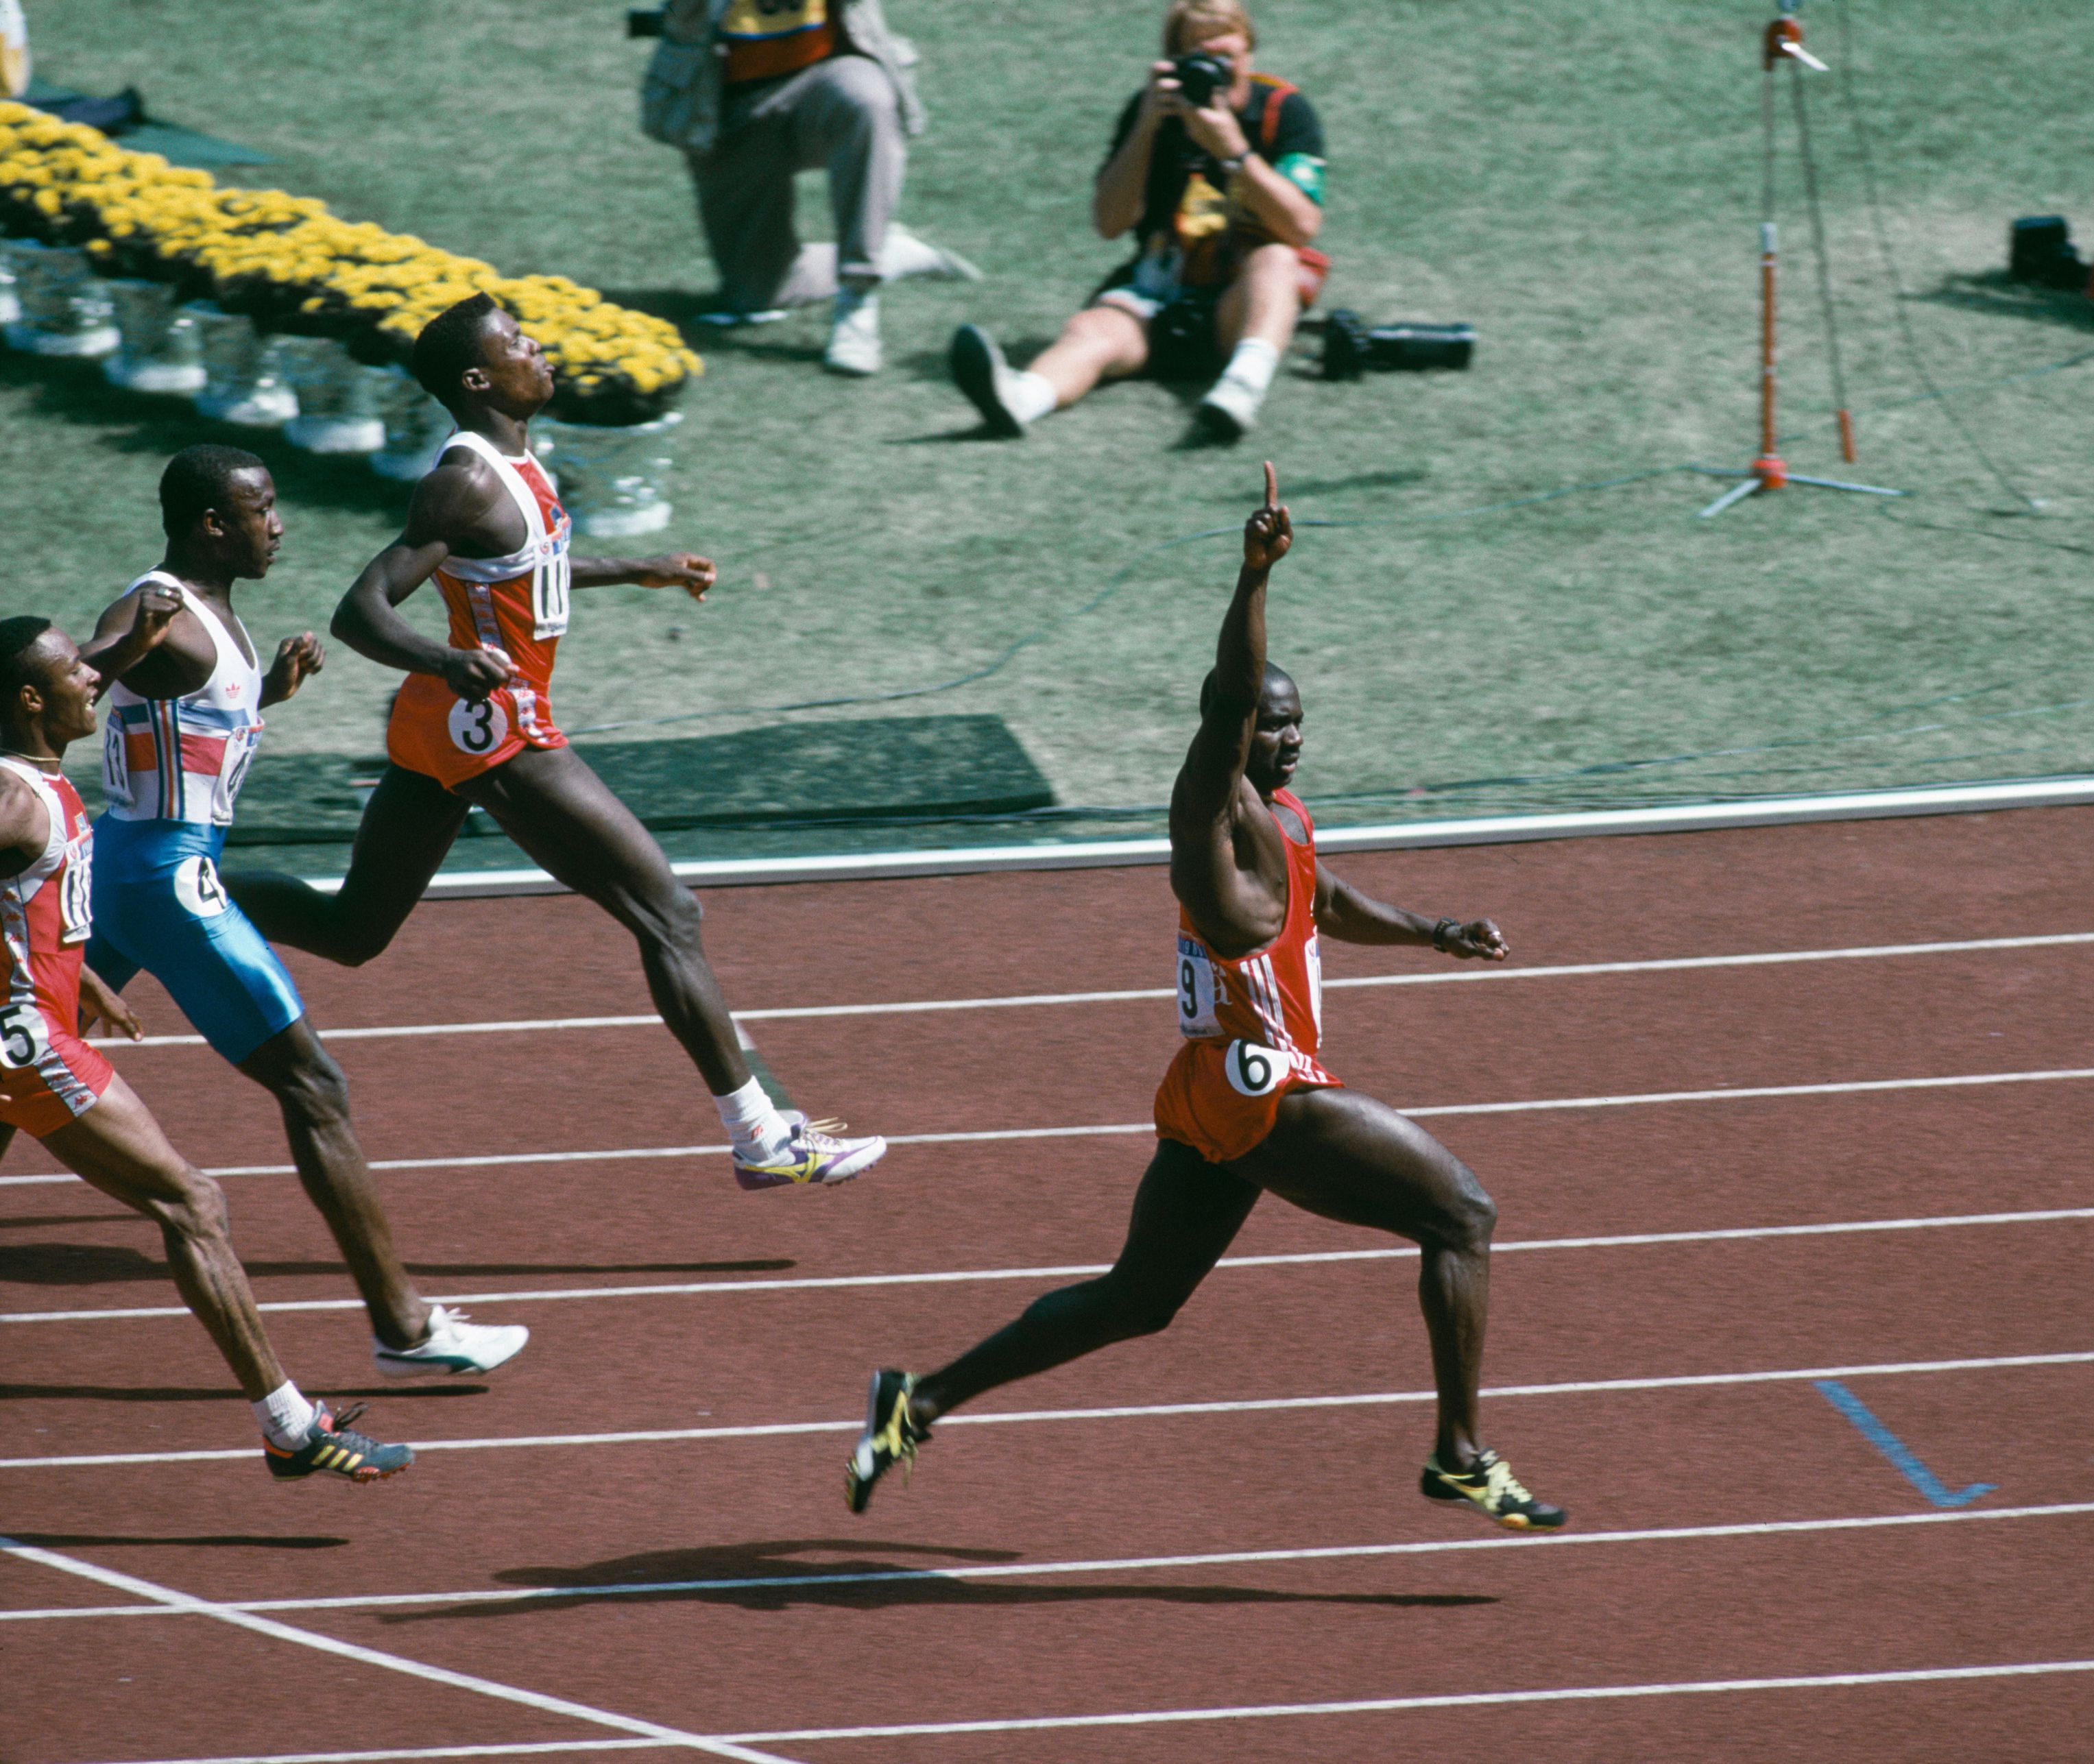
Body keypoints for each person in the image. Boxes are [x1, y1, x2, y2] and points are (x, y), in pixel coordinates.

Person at [843, 464, 1565, 1532]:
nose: (1290, 736)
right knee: (1461, 1214)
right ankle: (1459, 1453)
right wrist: (1252, 578)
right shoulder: (1211, 818)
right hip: (1265, 1087)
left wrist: (1433, 932)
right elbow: (1231, 700)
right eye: (1273, 725)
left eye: (1299, 721)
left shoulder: (1282, 817)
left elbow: (1327, 899)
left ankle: (922, 1399)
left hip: (1207, 1093)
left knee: (1139, 1299)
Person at [226, 295, 885, 1193]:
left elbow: (525, 563)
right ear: (477, 379)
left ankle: (160, 899)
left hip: (444, 719)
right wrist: (449, 656)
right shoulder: (467, 478)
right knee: (669, 913)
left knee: (353, 930)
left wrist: (639, 568)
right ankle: (760, 1134)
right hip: (495, 723)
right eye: (519, 345)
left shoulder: (513, 469)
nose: (540, 353)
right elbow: (361, 610)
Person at [79, 446, 529, 1381]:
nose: (277, 526)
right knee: (314, 1086)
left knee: (23, 1062)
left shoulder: (209, 620)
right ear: (213, 523)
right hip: (162, 875)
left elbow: (176, 721)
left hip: (127, 866)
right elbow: (62, 686)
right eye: (261, 509)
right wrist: (118, 649)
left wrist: (270, 693)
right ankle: (403, 1328)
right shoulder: (157, 606)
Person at [0, 616, 412, 1482]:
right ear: (30, 698)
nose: (95, 679)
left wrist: (83, 979)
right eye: (76, 669)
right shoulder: (13, 796)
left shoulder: (47, 781)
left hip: (38, 1027)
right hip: (28, 1051)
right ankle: (290, 1426)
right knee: (193, 1202)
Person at [948, 0, 1328, 441]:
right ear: (1176, 63)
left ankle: (1242, 387)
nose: (1217, 73)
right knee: (1089, 330)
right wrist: (1146, 127)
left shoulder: (1283, 112)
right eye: (1201, 59)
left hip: (1236, 298)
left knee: (1279, 260)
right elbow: (1109, 223)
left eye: (1227, 57)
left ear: (1250, 50)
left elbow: (1301, 226)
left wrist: (1234, 152)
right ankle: (1019, 398)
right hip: (1159, 290)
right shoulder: (1154, 113)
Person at [644, 0, 976, 376]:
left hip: (823, 79)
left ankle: (858, 295)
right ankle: (892, 253)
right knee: (759, 295)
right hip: (723, 107)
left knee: (866, 100)